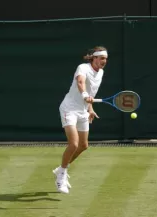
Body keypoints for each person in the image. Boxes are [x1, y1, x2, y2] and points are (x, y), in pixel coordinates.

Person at [53, 46, 108, 194]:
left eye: (106, 59)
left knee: (83, 145)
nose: (104, 61)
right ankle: (61, 177)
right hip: (69, 109)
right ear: (94, 58)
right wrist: (84, 95)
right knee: (74, 143)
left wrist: (90, 108)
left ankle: (61, 169)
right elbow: (80, 83)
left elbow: (91, 92)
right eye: (102, 58)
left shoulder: (101, 73)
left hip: (83, 110)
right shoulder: (83, 67)